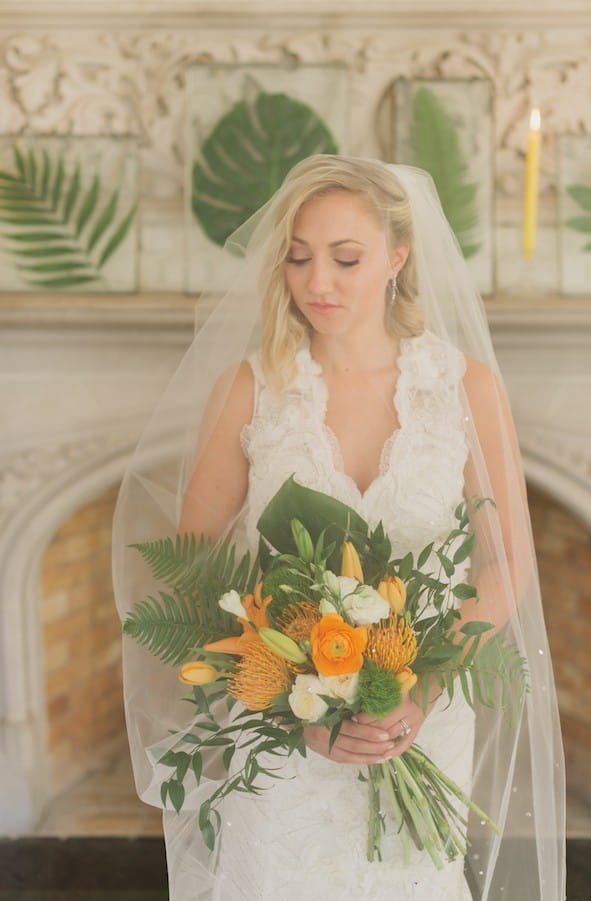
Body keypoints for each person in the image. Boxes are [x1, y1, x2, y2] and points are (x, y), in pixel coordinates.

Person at [113, 156, 566, 900]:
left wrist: (420, 683)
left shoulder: (464, 389)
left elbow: (507, 562)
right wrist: (299, 705)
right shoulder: (251, 388)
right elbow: (192, 572)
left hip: (419, 720)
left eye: (345, 258)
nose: (317, 281)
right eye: (298, 257)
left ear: (397, 257)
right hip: (281, 735)